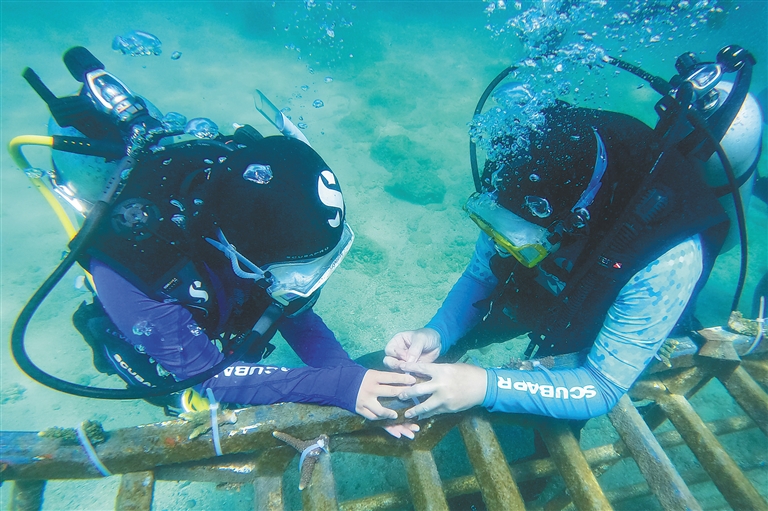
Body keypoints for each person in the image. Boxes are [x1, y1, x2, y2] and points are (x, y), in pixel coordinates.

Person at [18, 46, 417, 438]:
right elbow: (211, 376)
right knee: (185, 394)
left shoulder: (247, 193)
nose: (302, 286)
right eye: (295, 274)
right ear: (235, 251)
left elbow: (294, 314)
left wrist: (351, 378)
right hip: (155, 323)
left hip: (215, 260)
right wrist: (338, 387)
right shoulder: (130, 268)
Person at [384, 97, 739, 422]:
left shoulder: (670, 259)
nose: (503, 250)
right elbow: (481, 277)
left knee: (561, 391)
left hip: (605, 296)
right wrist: (437, 332)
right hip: (555, 279)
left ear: (574, 221)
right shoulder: (518, 185)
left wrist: (486, 386)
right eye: (497, 233)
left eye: (520, 243)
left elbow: (602, 386)